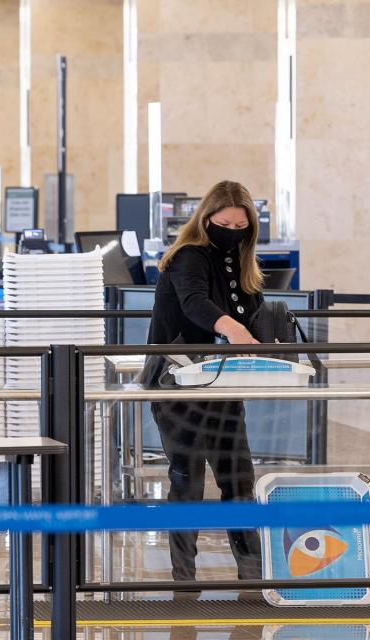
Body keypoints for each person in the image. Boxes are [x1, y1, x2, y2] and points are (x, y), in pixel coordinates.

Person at [146, 180, 264, 588]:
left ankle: (252, 578)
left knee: (239, 479)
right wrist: (232, 328)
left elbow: (249, 314)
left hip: (222, 383)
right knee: (188, 477)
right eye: (224, 222)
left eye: (240, 225)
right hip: (177, 382)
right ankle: (184, 579)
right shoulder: (187, 257)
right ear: (206, 218)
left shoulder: (242, 266)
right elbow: (195, 302)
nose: (232, 231)